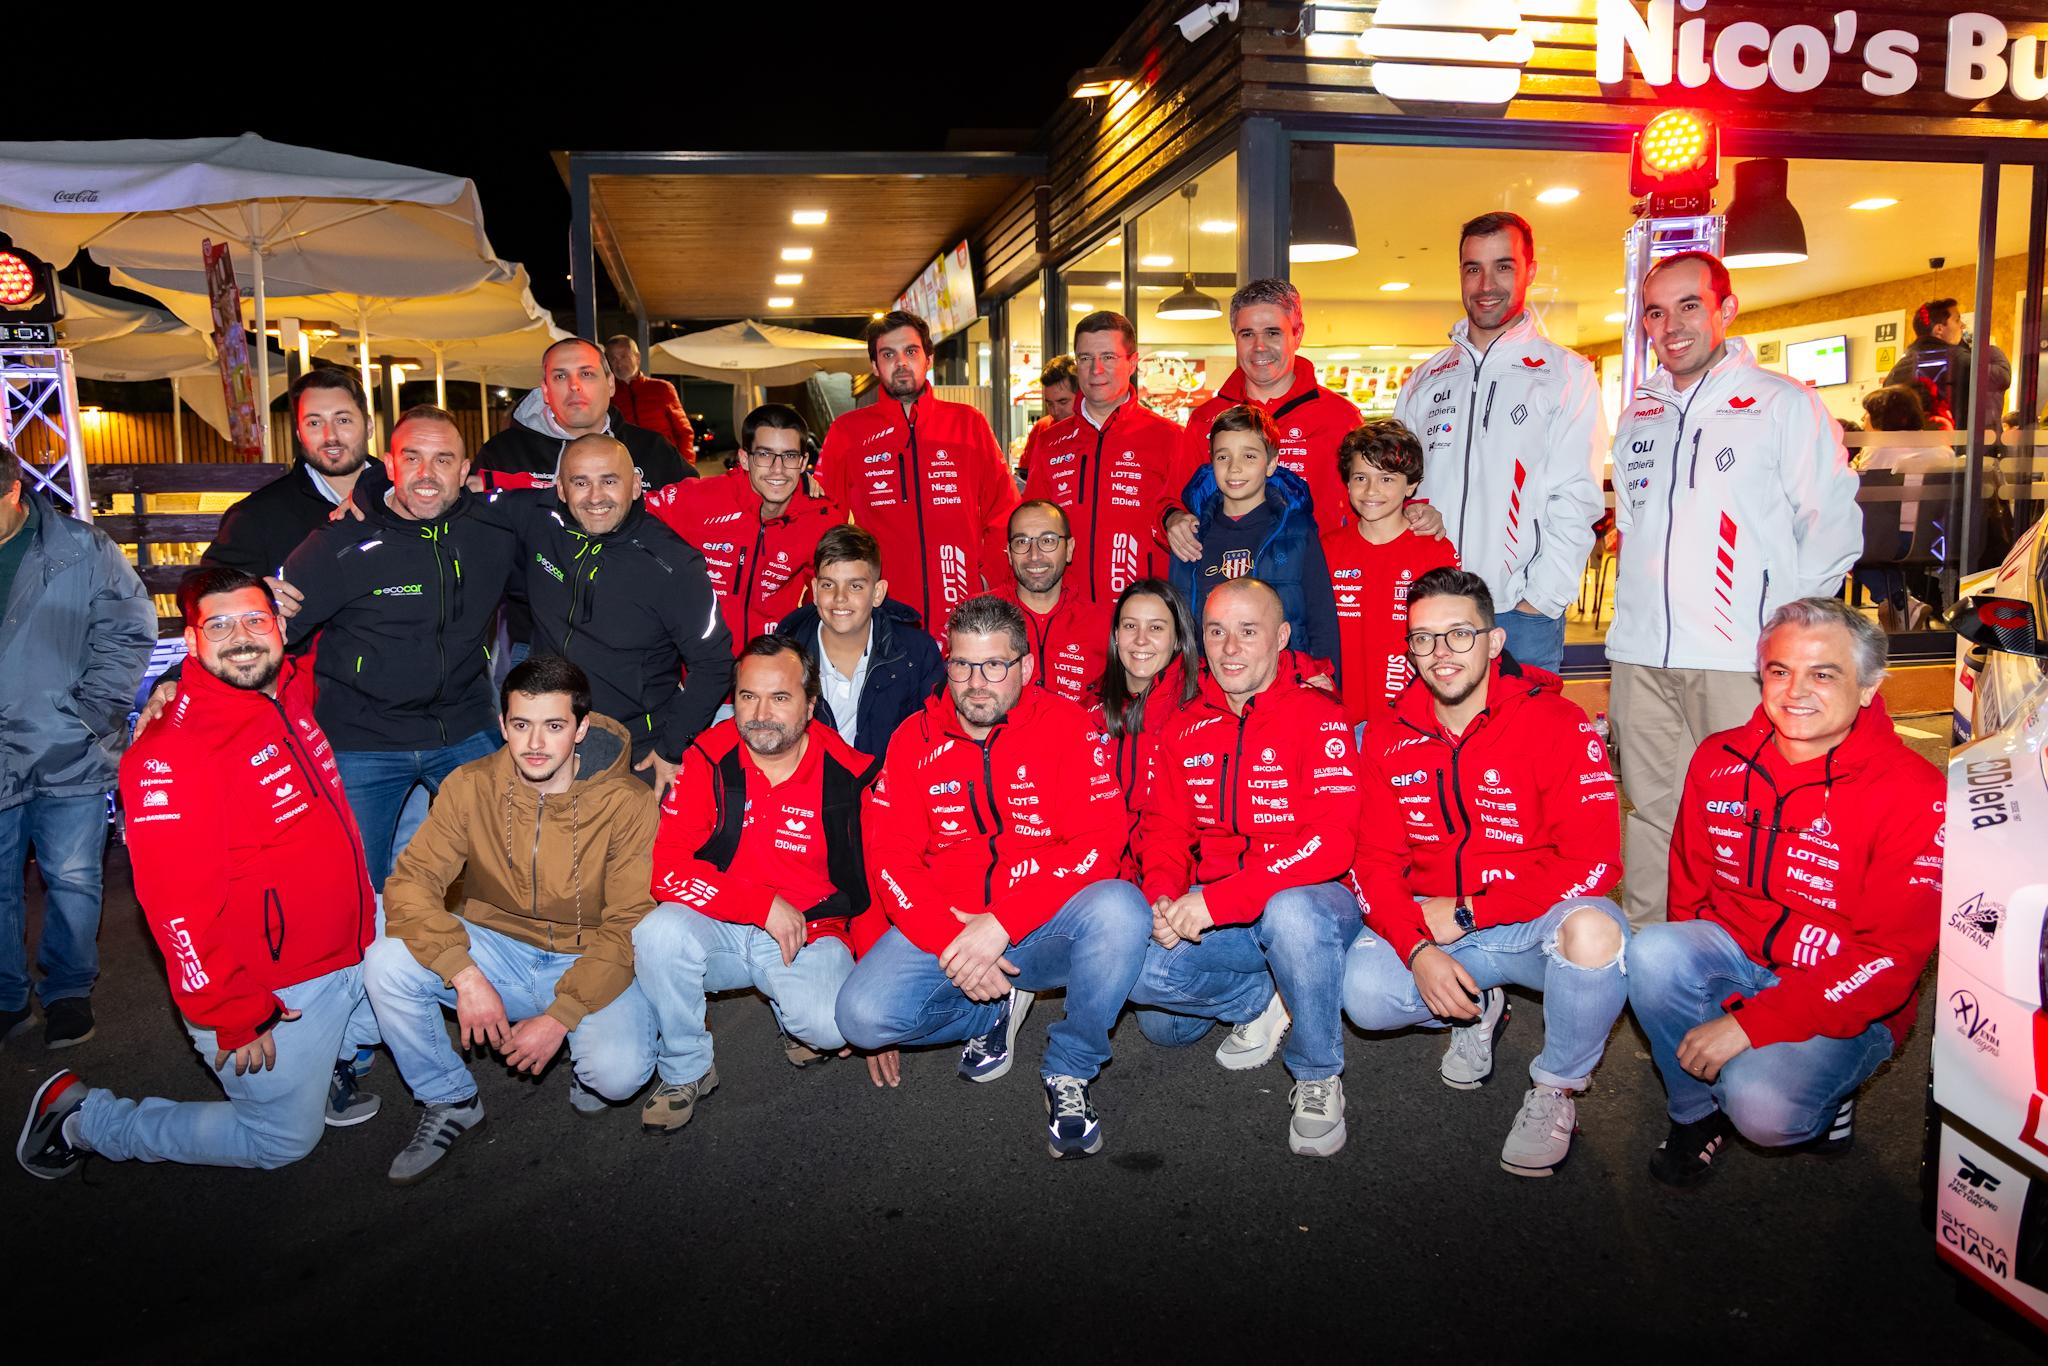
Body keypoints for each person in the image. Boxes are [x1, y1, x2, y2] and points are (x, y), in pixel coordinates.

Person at [17, 569, 381, 1178]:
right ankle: (84, 1119)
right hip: (271, 989)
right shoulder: (169, 751)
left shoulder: (286, 687)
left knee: (433, 967)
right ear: (190, 642)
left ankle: (329, 1064)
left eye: (255, 620)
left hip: (348, 949)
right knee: (281, 1144)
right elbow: (173, 909)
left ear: (280, 627)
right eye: (219, 625)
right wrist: (233, 1010)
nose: (241, 637)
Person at [1629, 598, 1942, 1186]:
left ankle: (1822, 1092)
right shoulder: (1719, 757)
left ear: (1870, 686)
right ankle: (1695, 1114)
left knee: (1764, 1109)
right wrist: (1704, 1003)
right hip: (1739, 957)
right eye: (1779, 671)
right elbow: (1688, 890)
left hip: (1846, 990)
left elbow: (1889, 961)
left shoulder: (1914, 791)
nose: (1796, 690)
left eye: (1823, 674)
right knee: (1655, 951)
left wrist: (1750, 1025)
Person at [835, 594, 1149, 1159]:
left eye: (995, 666)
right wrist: (954, 941)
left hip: (1044, 920)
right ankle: (993, 1005)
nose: (976, 683)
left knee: (1123, 908)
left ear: (1026, 668)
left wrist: (1002, 922)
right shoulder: (913, 738)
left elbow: (1101, 842)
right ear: (946, 663)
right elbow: (890, 859)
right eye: (962, 664)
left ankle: (1070, 1070)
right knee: (860, 1019)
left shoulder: (1067, 726)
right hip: (949, 924)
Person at [1341, 568, 1626, 1177]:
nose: (1440, 655)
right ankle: (1479, 1005)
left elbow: (1597, 864)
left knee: (1598, 932)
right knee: (1364, 995)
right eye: (1423, 639)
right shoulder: (1387, 736)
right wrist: (1415, 948)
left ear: (1495, 643)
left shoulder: (1559, 723)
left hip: (1524, 922)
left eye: (1459, 635)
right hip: (1439, 926)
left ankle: (1556, 1087)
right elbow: (1374, 862)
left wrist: (1473, 909)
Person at [1606, 251, 1860, 929]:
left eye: (1689, 305)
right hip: (1641, 658)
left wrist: (1788, 641)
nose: (1671, 325)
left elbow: (1830, 524)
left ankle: (1751, 958)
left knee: (1754, 816)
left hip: (1739, 660)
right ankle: (1654, 961)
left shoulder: (1783, 404)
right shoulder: (1641, 414)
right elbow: (1632, 526)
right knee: (1656, 816)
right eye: (1655, 312)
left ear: (1726, 309)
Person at [362, 655, 659, 1185]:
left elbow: (629, 927)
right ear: (503, 725)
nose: (536, 744)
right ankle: (450, 1098)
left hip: (588, 955)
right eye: (521, 725)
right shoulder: (469, 784)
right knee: (386, 961)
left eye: (554, 725)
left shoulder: (628, 803)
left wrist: (561, 1016)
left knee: (615, 1076)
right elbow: (410, 883)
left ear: (582, 729)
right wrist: (464, 972)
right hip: (496, 947)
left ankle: (581, 1054)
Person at [1126, 578, 1363, 1158]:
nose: (1230, 648)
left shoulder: (1318, 715)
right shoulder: (1183, 724)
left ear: (1281, 638)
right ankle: (1269, 994)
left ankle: (1316, 1074)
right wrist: (1164, 895)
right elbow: (1163, 829)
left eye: (1248, 631)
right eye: (1216, 632)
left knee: (1291, 913)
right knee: (1142, 990)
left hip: (1310, 899)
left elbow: (1332, 843)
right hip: (1221, 905)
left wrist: (1215, 902)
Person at [260, 406, 520, 889]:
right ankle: (370, 964)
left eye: (444, 460)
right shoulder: (340, 543)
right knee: (356, 885)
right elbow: (267, 632)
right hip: (364, 739)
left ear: (464, 472)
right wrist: (176, 685)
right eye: (413, 458)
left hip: (464, 728)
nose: (427, 475)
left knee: (513, 867)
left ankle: (493, 962)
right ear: (389, 466)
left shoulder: (493, 535)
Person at [634, 638, 887, 1125]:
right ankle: (687, 1067)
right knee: (657, 934)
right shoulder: (708, 756)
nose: (761, 713)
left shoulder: (849, 776)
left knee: (833, 1027)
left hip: (810, 931)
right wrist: (758, 903)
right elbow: (665, 869)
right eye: (748, 696)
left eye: (780, 697)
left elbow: (870, 889)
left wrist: (877, 1013)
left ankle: (794, 1016)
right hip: (721, 920)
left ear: (811, 705)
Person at [1392, 212, 1606, 675]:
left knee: (1523, 746)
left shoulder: (1566, 375)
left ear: (1529, 270)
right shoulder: (1425, 380)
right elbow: (1396, 488)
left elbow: (1575, 498)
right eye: (1473, 268)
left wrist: (1540, 599)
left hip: (1518, 614)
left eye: (1503, 266)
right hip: (1431, 608)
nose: (1486, 283)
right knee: (1427, 744)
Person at [0, 439, 154, 1049]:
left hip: (71, 749)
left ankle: (68, 992)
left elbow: (129, 626)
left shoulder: (81, 548)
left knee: (73, 880)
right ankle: (9, 999)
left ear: (13, 493)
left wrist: (90, 712)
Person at [1164, 278, 1442, 545]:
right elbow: (1174, 502)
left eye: (1272, 333)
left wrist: (1413, 510)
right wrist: (1174, 519)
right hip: (1232, 580)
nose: (1259, 347)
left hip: (1318, 580)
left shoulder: (1339, 416)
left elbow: (1376, 488)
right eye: (1247, 334)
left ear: (1297, 334)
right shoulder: (1206, 419)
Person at [815, 310, 1019, 641]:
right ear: (874, 365)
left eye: (911, 351)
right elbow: (823, 519)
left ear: (928, 359)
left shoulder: (969, 424)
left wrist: (988, 576)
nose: (901, 363)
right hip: (884, 608)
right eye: (888, 354)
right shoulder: (847, 432)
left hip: (963, 601)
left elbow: (1004, 509)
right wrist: (847, 587)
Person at [648, 403, 840, 652]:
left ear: (803, 462)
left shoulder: (820, 517)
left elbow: (831, 594)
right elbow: (631, 517)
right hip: (701, 669)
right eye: (764, 454)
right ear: (744, 459)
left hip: (771, 669)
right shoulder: (702, 499)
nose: (777, 469)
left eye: (789, 456)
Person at [1171, 405, 1341, 676]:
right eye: (1223, 456)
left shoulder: (1297, 531)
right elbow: (1180, 623)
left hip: (1285, 686)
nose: (1234, 467)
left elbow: (1322, 617)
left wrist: (1325, 677)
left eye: (1249, 456)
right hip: (1209, 687)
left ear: (1271, 463)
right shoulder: (1191, 536)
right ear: (1211, 463)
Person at [1023, 312, 1181, 601]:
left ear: (1132, 363)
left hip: (1142, 615)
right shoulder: (1050, 442)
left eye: (1108, 357)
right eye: (1085, 358)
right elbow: (1029, 528)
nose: (1096, 370)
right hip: (1069, 613)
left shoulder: (1170, 438)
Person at [1321, 420, 1460, 731]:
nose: (1372, 490)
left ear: (1410, 485)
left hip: (1415, 719)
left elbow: (1453, 635)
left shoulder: (1434, 551)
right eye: (1361, 477)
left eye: (1386, 478)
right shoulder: (1326, 550)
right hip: (1340, 718)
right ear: (1346, 482)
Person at [774, 525, 942, 756]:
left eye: (855, 586)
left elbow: (933, 741)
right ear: (814, 590)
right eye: (828, 585)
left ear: (877, 593)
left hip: (890, 786)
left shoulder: (916, 653)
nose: (839, 598)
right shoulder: (783, 657)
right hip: (809, 787)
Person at [204, 367, 375, 581]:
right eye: (314, 423)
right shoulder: (257, 516)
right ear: (299, 434)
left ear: (369, 426)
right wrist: (261, 593)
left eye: (343, 420)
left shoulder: (404, 498)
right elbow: (208, 588)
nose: (330, 435)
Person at [1087, 577, 1203, 879]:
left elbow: (1261, 664)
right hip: (1111, 882)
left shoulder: (1204, 700)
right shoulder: (1087, 712)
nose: (1140, 640)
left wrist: (1309, 673)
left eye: (1156, 628)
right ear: (1115, 635)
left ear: (1177, 638)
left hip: (1186, 881)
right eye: (1129, 626)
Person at [476, 336, 693, 495]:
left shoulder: (654, 451)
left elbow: (695, 518)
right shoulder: (501, 455)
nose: (574, 386)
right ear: (545, 390)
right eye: (560, 376)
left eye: (586, 374)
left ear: (609, 385)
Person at [999, 500, 1110, 705]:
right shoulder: (979, 614)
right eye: (1022, 542)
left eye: (1048, 540)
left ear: (1069, 549)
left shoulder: (1103, 623)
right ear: (1009, 553)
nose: (1034, 555)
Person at [1884, 297, 2012, 434]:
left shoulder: (1900, 365)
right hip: (1953, 449)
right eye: (1957, 320)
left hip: (1911, 448)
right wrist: (1988, 350)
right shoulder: (1957, 358)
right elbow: (2001, 378)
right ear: (1939, 329)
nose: (1962, 325)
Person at [605, 333, 696, 463]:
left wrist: (687, 466)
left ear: (637, 357)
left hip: (665, 462)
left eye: (623, 356)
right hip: (627, 466)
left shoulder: (662, 388)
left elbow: (684, 432)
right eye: (612, 358)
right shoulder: (607, 396)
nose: (618, 363)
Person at [1014, 354, 1076, 485]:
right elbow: (1024, 478)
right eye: (1049, 403)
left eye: (1063, 402)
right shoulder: (1042, 428)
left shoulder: (1095, 430)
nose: (1055, 411)